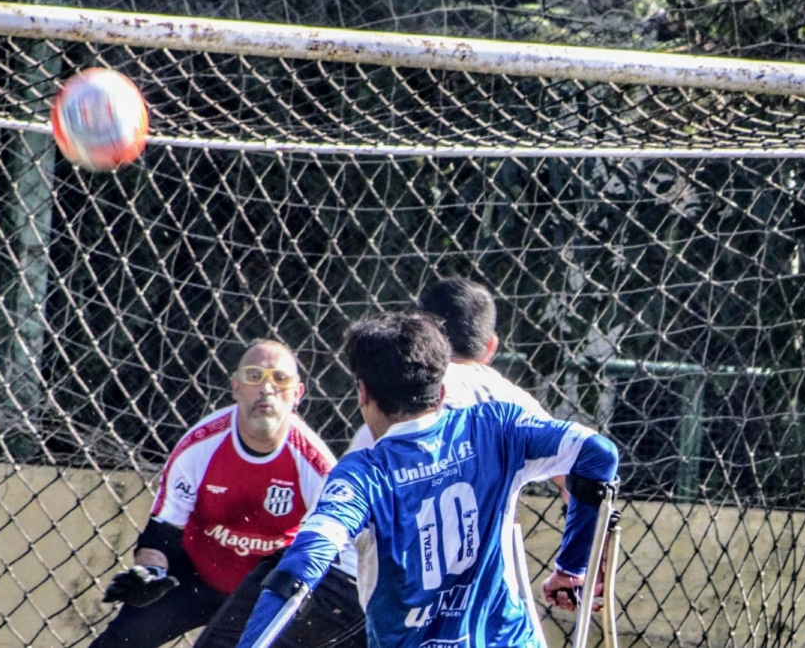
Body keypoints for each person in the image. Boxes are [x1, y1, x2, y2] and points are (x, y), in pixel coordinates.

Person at [230, 312, 620, 648]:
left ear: (363, 394)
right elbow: (599, 453)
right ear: (442, 390)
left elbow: (305, 562)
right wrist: (573, 563)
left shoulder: (364, 475)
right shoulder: (497, 426)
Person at [90, 339, 361, 648]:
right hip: (195, 575)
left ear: (298, 393)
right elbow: (162, 531)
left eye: (280, 379)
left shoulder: (316, 465)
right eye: (254, 376)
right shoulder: (199, 446)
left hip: (266, 591)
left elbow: (337, 547)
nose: (267, 389)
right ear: (235, 387)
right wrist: (150, 573)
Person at [345, 276, 553, 453]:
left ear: (422, 334)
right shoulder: (514, 400)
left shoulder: (407, 394)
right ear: (491, 345)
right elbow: (574, 469)